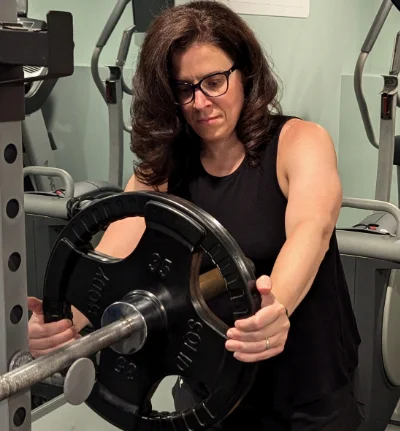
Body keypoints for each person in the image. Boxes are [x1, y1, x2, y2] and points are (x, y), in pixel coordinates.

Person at [27, 1, 363, 429]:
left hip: (305, 389)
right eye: (184, 88)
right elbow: (113, 255)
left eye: (214, 81)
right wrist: (62, 322)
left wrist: (271, 309)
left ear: (246, 73)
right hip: (212, 389)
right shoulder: (165, 167)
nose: (200, 101)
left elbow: (310, 231)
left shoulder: (299, 142)